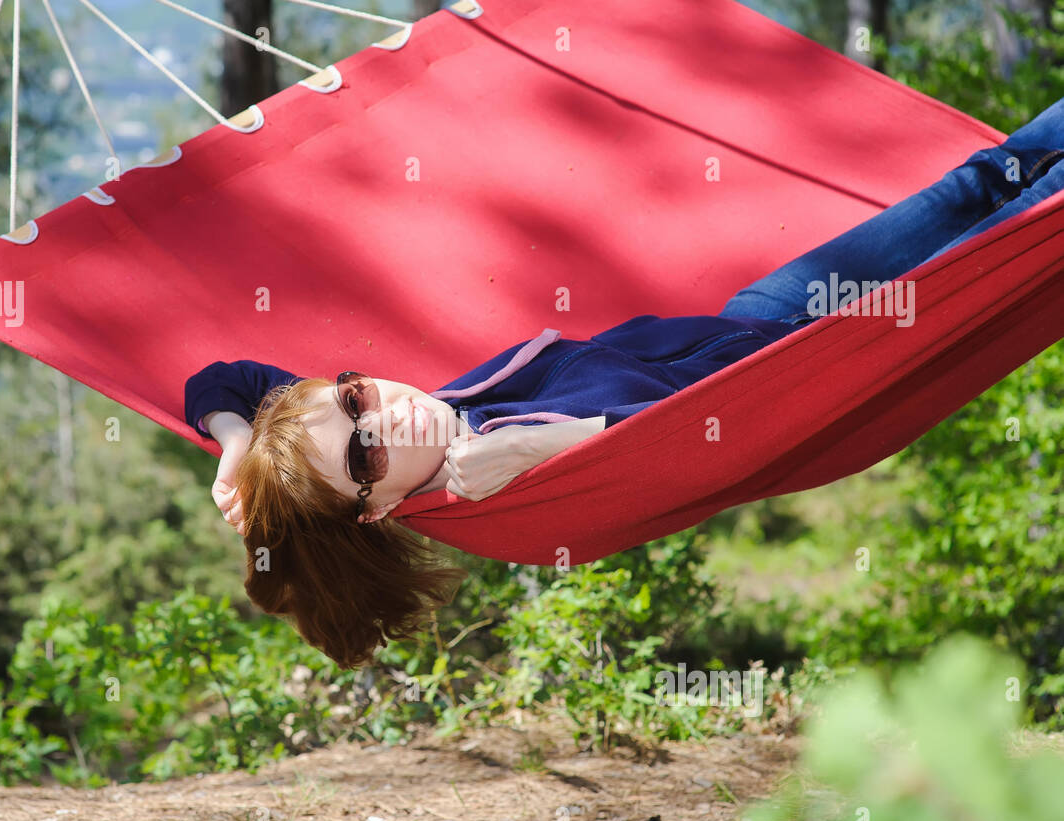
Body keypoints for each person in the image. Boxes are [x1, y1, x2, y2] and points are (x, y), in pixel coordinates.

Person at [186, 96, 1064, 669]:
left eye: (353, 396)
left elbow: (231, 377)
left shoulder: (439, 416)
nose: (382, 413)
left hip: (760, 316)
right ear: (375, 511)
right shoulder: (501, 492)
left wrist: (234, 446)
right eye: (366, 452)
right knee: (1029, 225)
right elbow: (668, 440)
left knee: (978, 182)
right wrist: (533, 445)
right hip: (817, 362)